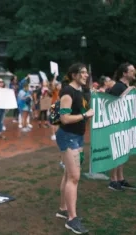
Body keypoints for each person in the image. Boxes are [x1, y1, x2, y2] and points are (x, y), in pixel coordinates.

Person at [55, 63, 94, 234]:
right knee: (74, 177)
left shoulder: (81, 91)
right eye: (83, 73)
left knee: (68, 174)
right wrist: (85, 115)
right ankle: (71, 219)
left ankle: (63, 209)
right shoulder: (68, 92)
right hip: (68, 136)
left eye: (86, 73)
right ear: (73, 75)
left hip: (77, 137)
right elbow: (64, 118)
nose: (86, 75)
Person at [106, 63, 136, 191]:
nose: (134, 72)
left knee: (123, 153)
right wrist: (127, 91)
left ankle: (120, 179)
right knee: (116, 153)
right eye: (132, 71)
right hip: (116, 124)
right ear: (124, 73)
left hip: (125, 124)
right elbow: (109, 104)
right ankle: (113, 181)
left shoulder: (127, 86)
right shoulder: (118, 87)